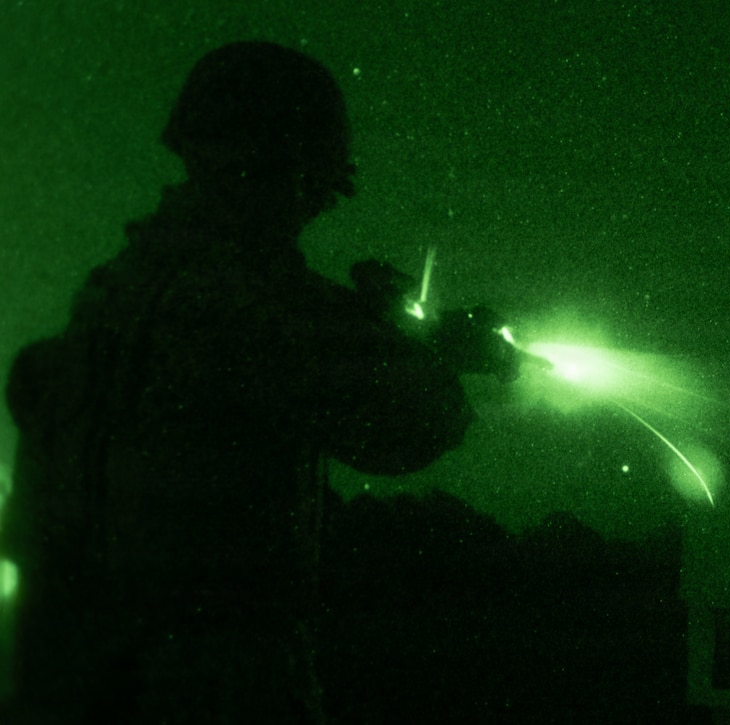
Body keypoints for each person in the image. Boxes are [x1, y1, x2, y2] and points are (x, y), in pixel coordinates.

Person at [0, 41, 516, 723]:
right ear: (281, 167)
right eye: (313, 184)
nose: (316, 206)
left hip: (87, 673)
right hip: (208, 683)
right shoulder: (246, 300)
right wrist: (421, 345)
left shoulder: (115, 288)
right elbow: (417, 421)